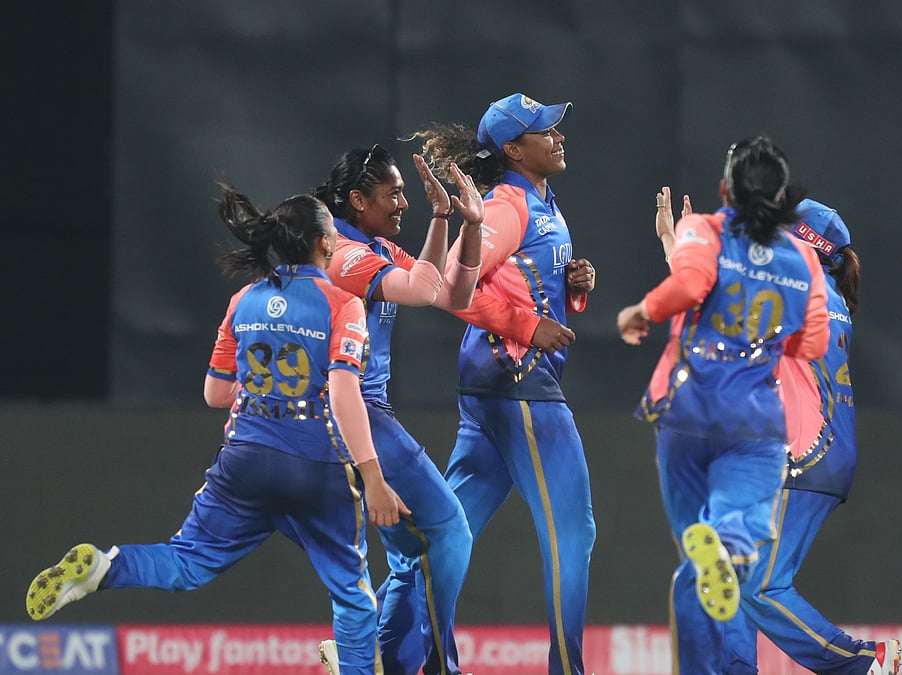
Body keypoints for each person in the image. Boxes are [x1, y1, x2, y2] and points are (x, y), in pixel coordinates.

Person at [25, 185, 404, 675]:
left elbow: (216, 393)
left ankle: (104, 567)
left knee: (186, 564)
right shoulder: (341, 303)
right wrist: (373, 477)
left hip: (244, 458)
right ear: (325, 244)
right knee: (352, 595)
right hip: (314, 464)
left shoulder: (243, 300)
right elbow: (343, 392)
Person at [653, 188, 901, 675]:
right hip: (813, 452)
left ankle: (863, 663)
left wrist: (678, 245)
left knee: (758, 586)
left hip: (802, 453)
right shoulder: (819, 291)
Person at [392, 92, 595, 675]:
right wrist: (527, 326)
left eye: (556, 128)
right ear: (513, 149)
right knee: (572, 534)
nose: (559, 137)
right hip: (520, 387)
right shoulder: (509, 205)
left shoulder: (541, 201)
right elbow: (450, 288)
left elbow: (524, 281)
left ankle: (380, 653)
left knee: (446, 529)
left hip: (496, 386)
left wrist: (574, 284)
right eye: (545, 132)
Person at [617, 136, 831, 675]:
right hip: (752, 421)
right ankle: (731, 540)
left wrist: (642, 309)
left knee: (695, 560)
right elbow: (813, 345)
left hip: (685, 413)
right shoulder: (802, 257)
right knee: (736, 533)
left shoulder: (705, 229)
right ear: (783, 198)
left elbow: (689, 282)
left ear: (723, 190)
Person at [311, 145, 484, 675]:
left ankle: (365, 655)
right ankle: (406, 662)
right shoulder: (344, 254)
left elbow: (454, 294)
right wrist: (438, 217)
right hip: (356, 414)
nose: (403, 202)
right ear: (358, 200)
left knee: (413, 552)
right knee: (449, 531)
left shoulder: (377, 246)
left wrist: (469, 225)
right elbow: (419, 288)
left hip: (367, 413)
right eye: (394, 193)